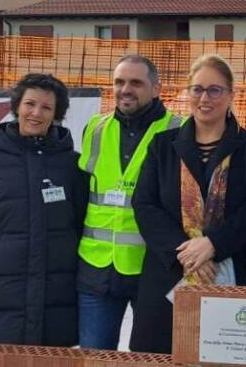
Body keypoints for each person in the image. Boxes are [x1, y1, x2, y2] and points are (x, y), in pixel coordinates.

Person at [130, 54, 246, 354]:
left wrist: (212, 244)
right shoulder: (162, 145)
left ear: (231, 94)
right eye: (197, 89)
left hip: (229, 273)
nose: (204, 98)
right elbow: (144, 205)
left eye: (214, 90)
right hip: (168, 276)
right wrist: (187, 251)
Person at [0, 74, 86, 347]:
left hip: (56, 299)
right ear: (16, 107)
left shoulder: (72, 165)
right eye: (30, 104)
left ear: (56, 114)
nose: (36, 113)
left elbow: (80, 227)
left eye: (46, 107)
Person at [76, 55, 181, 349]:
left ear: (156, 89)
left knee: (152, 364)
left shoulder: (178, 130)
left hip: (152, 269)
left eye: (136, 82)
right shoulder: (95, 129)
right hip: (96, 269)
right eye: (119, 82)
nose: (125, 89)